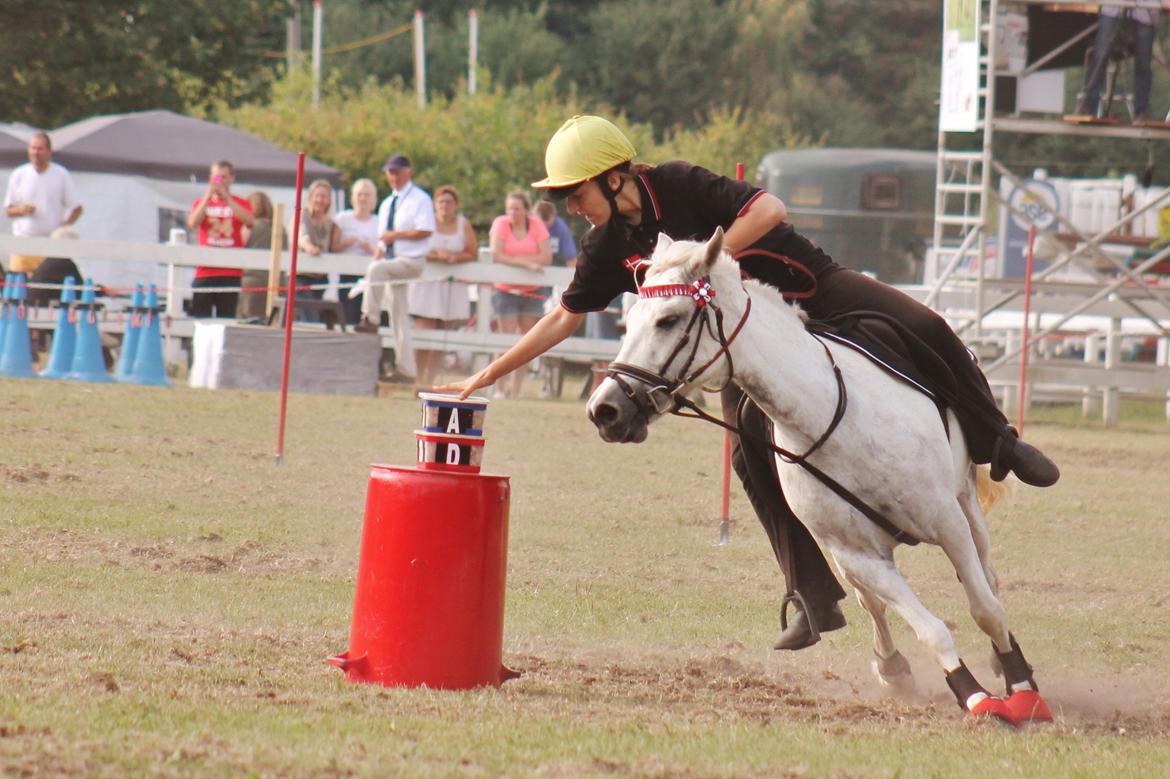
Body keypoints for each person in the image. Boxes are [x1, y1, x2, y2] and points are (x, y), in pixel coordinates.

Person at [439, 115, 1061, 651]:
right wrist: (491, 372)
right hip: (741, 345)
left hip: (813, 289)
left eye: (575, 192)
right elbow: (563, 316)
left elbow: (770, 209)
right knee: (749, 458)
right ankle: (812, 596)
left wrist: (702, 262)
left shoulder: (679, 182)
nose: (571, 205)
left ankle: (997, 442)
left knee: (925, 324)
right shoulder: (604, 247)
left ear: (614, 177)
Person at [354, 154, 434, 384]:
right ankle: (407, 369)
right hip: (391, 262)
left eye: (397, 172)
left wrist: (394, 236)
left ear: (408, 172)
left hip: (411, 260)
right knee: (399, 316)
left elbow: (426, 229)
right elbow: (382, 242)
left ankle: (370, 318)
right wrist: (372, 265)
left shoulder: (420, 199)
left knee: (379, 270)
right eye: (390, 172)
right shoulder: (388, 203)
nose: (394, 177)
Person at [409, 184, 478, 388]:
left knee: (441, 337)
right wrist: (436, 256)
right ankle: (417, 379)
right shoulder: (426, 222)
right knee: (424, 333)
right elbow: (416, 249)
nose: (444, 205)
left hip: (451, 285)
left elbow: (471, 252)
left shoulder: (463, 225)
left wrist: (455, 257)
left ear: (455, 204)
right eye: (441, 201)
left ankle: (430, 382)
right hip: (428, 285)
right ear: (435, 204)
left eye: (449, 201)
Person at [489, 190, 552, 398]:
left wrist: (527, 264)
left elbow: (546, 257)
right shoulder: (500, 224)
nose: (513, 213)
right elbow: (497, 254)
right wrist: (526, 263)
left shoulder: (536, 225)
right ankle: (498, 387)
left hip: (531, 291)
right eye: (509, 209)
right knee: (505, 340)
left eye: (517, 208)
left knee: (525, 342)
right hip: (505, 289)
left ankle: (516, 390)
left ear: (526, 210)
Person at [4, 131, 82, 275]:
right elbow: (8, 210)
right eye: (33, 148)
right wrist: (21, 210)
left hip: (50, 245)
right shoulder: (19, 174)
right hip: (23, 243)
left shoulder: (61, 174)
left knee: (43, 289)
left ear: (49, 151)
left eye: (40, 148)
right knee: (19, 291)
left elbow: (77, 208)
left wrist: (64, 226)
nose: (36, 152)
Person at [1076, 1, 1167, 121]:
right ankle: (1088, 107)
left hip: (1146, 10)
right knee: (1100, 57)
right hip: (1114, 8)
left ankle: (1141, 112)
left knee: (1143, 63)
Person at [186, 160, 254, 318]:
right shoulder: (200, 202)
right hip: (205, 271)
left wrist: (227, 198)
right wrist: (208, 197)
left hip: (230, 272)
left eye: (223, 177)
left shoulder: (241, 203)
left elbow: (249, 221)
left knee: (227, 319)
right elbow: (193, 223)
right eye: (216, 177)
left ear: (231, 178)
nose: (219, 181)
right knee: (201, 319)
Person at [333, 178, 381, 326]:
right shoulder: (343, 218)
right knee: (347, 311)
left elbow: (382, 249)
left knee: (365, 313)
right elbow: (333, 246)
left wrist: (369, 249)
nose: (363, 198)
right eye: (360, 194)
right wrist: (347, 243)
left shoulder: (378, 221)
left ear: (373, 198)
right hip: (347, 272)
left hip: (368, 273)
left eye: (367, 194)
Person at [238, 190, 287, 322]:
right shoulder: (280, 228)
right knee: (274, 322)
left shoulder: (249, 226)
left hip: (252, 281)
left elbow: (240, 247)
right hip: (279, 282)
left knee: (249, 322)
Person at [294, 179, 339, 323]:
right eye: (317, 195)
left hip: (320, 277)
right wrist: (309, 248)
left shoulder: (331, 223)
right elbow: (301, 236)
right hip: (302, 275)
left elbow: (333, 247)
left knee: (316, 314)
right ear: (311, 197)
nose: (320, 200)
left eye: (324, 196)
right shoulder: (302, 216)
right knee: (309, 317)